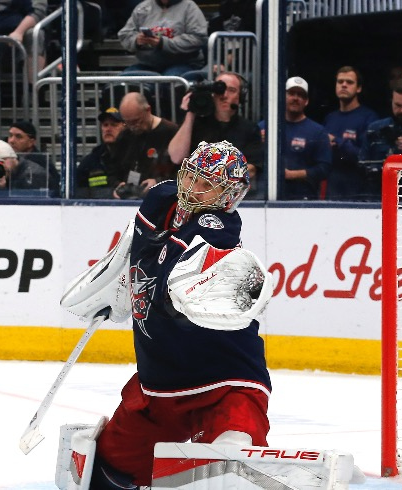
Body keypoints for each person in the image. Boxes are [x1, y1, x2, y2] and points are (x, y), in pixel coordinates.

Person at [59, 140, 273, 489]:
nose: (193, 189)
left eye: (208, 185)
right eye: (191, 176)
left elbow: (182, 269)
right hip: (160, 384)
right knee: (107, 472)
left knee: (230, 464)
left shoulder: (217, 228)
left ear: (228, 196)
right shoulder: (159, 199)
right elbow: (136, 247)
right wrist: (118, 286)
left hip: (225, 379)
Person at [169, 72, 263, 195]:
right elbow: (176, 157)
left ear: (240, 97)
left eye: (231, 90)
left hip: (230, 194)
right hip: (193, 193)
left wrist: (215, 178)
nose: (224, 95)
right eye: (219, 89)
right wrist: (190, 113)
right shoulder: (194, 124)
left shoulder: (249, 128)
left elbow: (251, 169)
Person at [323, 66, 379, 201]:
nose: (344, 85)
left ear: (358, 88)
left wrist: (338, 142)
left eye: (349, 82)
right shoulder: (330, 118)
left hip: (359, 192)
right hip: (333, 191)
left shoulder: (369, 118)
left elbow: (366, 158)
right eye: (340, 81)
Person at [109, 91, 178, 199]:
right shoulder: (125, 135)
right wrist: (117, 184)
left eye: (136, 121)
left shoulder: (171, 132)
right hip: (129, 197)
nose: (133, 127)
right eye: (127, 122)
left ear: (148, 110)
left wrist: (159, 182)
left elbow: (184, 172)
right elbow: (113, 167)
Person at [117, 0, 208, 77]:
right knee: (123, 82)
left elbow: (198, 37)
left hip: (183, 63)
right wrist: (137, 40)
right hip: (147, 64)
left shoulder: (189, 7)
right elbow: (125, 34)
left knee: (169, 82)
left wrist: (162, 43)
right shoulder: (143, 7)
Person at [0, 121, 60, 196]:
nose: (11, 140)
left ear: (31, 142)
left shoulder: (39, 167)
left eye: (18, 136)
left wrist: (0, 188)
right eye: (10, 135)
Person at [280, 76, 332, 200]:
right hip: (270, 199)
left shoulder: (318, 131)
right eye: (291, 93)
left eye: (301, 95)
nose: (296, 98)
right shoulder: (267, 127)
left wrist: (292, 175)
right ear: (283, 96)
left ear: (306, 101)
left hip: (305, 202)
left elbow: (324, 169)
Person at [75, 106, 125, 198]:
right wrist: (110, 194)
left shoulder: (135, 158)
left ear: (124, 128)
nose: (108, 129)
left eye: (114, 125)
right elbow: (76, 192)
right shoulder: (90, 162)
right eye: (105, 125)